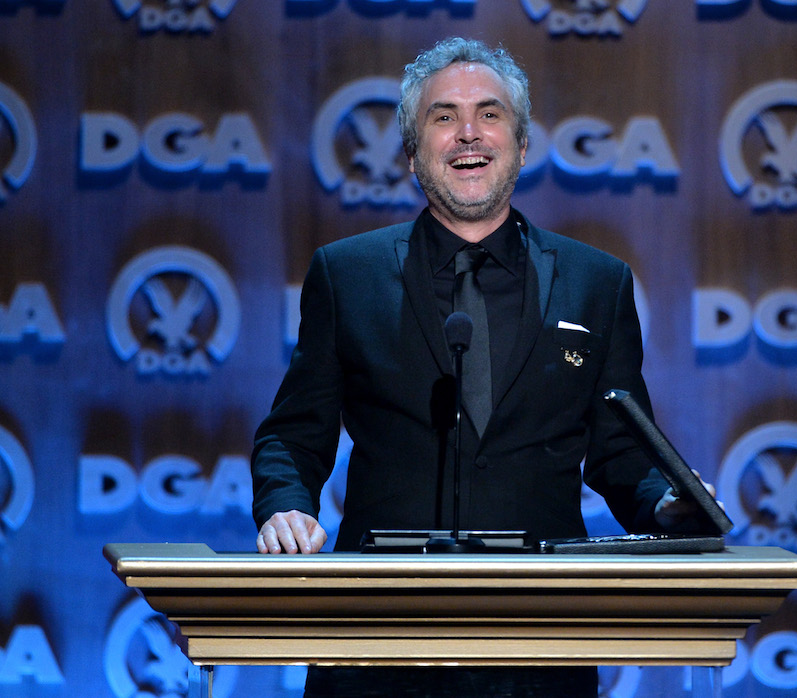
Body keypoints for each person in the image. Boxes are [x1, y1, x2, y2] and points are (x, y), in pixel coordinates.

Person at [251, 36, 714, 698]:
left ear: (521, 145)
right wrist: (285, 508)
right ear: (412, 153)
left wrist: (666, 505)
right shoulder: (346, 274)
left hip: (541, 644)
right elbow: (294, 435)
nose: (468, 133)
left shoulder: (596, 282)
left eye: (489, 114)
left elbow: (620, 454)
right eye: (443, 117)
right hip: (379, 637)